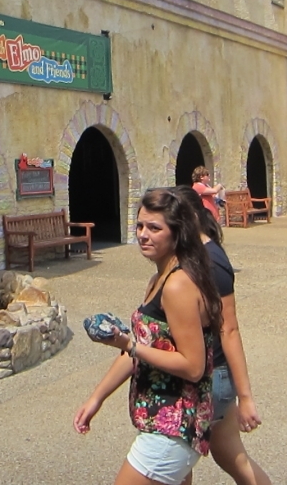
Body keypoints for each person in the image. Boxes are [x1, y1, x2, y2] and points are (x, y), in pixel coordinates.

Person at [74, 188, 221, 485]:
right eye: (140, 226)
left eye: (154, 228)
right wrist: (96, 398)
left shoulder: (178, 285)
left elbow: (193, 366)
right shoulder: (159, 279)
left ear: (177, 233)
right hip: (165, 425)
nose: (143, 234)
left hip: (173, 426)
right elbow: (141, 348)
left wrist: (130, 345)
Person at [175, 185, 272, 485]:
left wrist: (246, 397)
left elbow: (228, 329)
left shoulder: (211, 262)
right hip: (211, 375)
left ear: (190, 218)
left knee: (175, 463)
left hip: (208, 377)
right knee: (230, 455)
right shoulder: (195, 255)